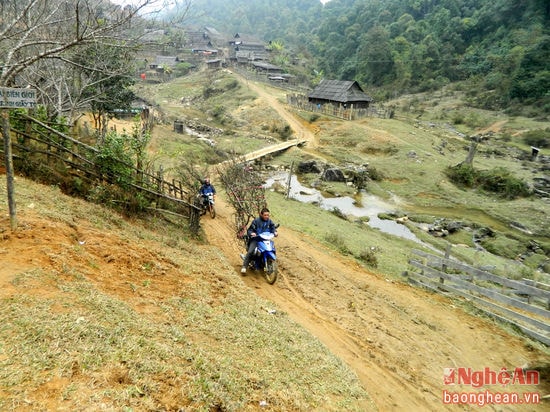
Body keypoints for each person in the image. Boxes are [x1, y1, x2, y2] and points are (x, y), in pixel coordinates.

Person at [241, 208, 278, 274]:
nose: (267, 217)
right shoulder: (256, 221)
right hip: (256, 240)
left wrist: (275, 232)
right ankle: (244, 266)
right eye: (265, 215)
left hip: (266, 239)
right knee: (250, 252)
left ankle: (268, 264)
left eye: (268, 215)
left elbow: (273, 228)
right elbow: (250, 230)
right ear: (261, 214)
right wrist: (252, 233)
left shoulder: (269, 221)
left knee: (272, 249)